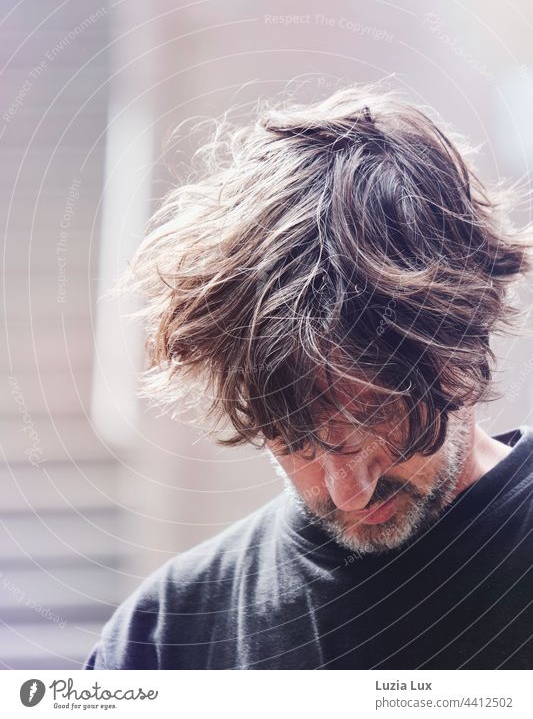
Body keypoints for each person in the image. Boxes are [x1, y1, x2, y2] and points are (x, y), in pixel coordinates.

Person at [86, 85, 533, 670]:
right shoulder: (169, 635)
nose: (349, 489)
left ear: (463, 341)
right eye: (295, 440)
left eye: (375, 417)